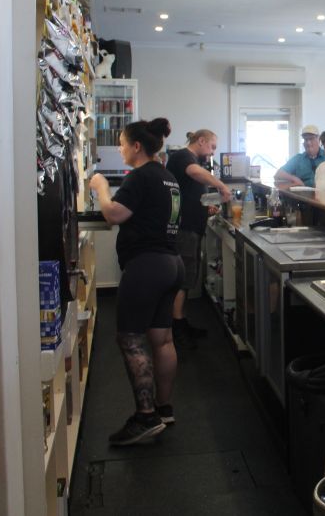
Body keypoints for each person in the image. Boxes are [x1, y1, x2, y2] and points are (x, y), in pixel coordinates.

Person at [88, 118, 182, 445]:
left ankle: (145, 416)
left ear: (137, 147)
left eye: (122, 144)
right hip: (171, 264)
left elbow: (114, 214)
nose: (120, 149)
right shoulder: (168, 177)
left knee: (130, 339)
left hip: (146, 267)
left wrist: (101, 187)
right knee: (163, 339)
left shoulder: (140, 176)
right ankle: (163, 409)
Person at [165, 129, 231, 349]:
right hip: (185, 229)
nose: (212, 152)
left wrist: (206, 206)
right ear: (201, 141)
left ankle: (181, 321)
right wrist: (221, 185)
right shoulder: (184, 157)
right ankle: (177, 329)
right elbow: (194, 172)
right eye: (212, 146)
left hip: (192, 226)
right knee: (183, 279)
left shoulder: (190, 158)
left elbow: (190, 192)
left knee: (187, 278)